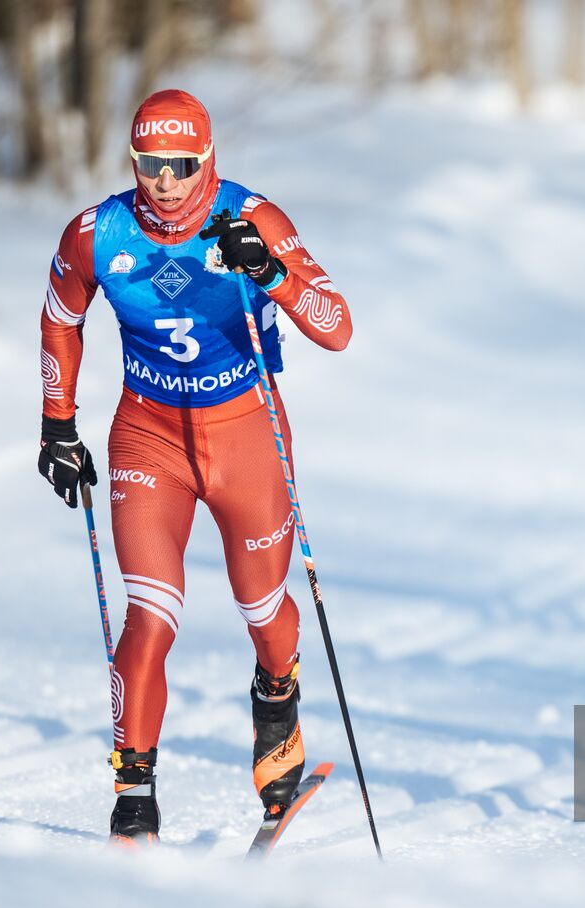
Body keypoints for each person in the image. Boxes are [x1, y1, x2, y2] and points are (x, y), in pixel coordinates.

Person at [36, 89, 353, 844]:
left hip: (245, 431)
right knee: (150, 610)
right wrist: (57, 425)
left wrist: (269, 270)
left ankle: (276, 695)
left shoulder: (253, 217)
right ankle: (133, 799)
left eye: (182, 165)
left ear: (206, 159)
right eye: (151, 165)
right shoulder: (96, 233)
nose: (167, 182)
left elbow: (337, 327)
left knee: (261, 606)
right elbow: (60, 317)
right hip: (148, 437)